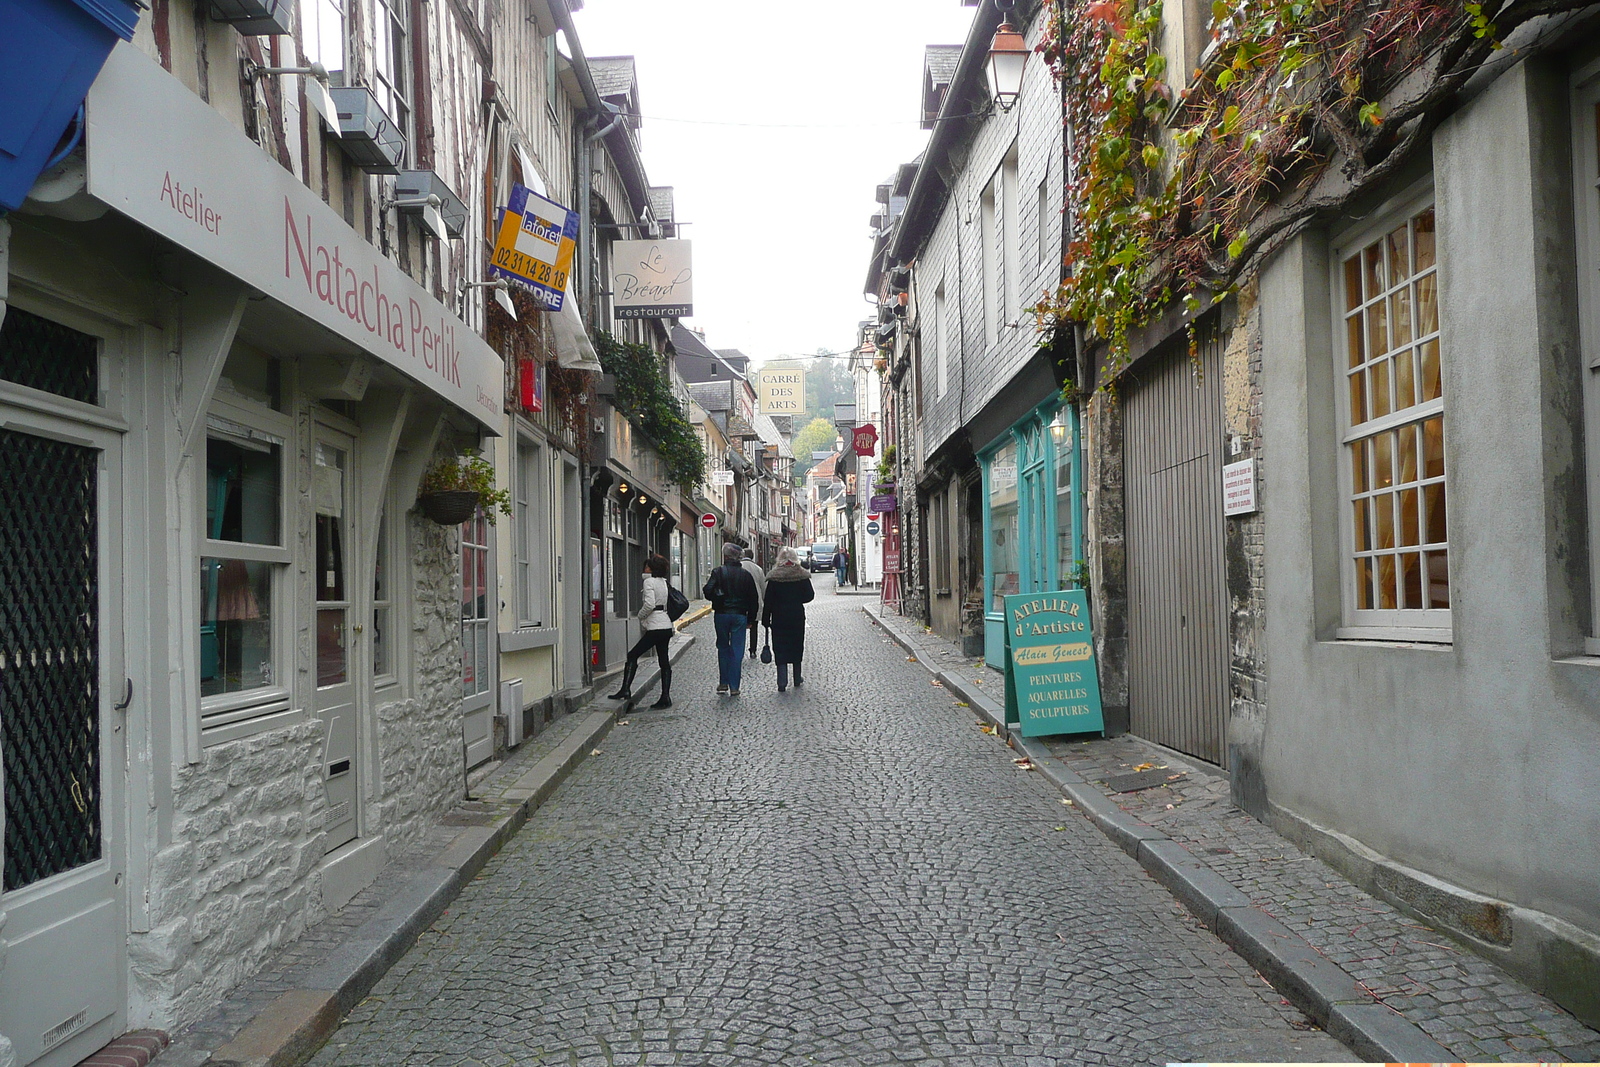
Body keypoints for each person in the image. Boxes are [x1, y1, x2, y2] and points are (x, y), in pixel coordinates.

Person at [609, 554, 674, 709]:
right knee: (664, 661)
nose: (644, 569)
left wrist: (640, 615)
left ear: (651, 569)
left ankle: (625, 689)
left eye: (646, 566)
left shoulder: (649, 581)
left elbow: (650, 604)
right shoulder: (663, 582)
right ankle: (665, 696)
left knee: (633, 655)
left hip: (655, 626)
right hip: (665, 625)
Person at [703, 542, 760, 696]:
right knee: (737, 650)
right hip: (740, 615)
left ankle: (723, 683)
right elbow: (753, 599)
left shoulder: (718, 572)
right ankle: (734, 686)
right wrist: (751, 619)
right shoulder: (746, 575)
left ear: (725, 556)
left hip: (721, 614)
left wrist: (717, 595)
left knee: (723, 647)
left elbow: (707, 591)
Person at [762, 547, 815, 691]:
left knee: (780, 647)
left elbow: (768, 600)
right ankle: (797, 678)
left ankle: (782, 681)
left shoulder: (774, 576)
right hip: (796, 616)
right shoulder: (801, 574)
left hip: (779, 617)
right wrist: (797, 599)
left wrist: (765, 619)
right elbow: (810, 595)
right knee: (797, 646)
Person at [740, 547, 767, 659]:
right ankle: (753, 650)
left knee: (739, 627)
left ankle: (738, 649)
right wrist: (765, 601)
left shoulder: (739, 567)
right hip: (755, 601)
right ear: (752, 557)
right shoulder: (758, 569)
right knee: (754, 627)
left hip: (741, 601)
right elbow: (763, 587)